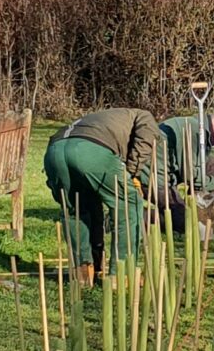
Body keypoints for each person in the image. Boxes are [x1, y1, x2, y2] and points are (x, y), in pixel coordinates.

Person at [43, 107, 161, 285]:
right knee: (129, 203)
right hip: (90, 151)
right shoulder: (144, 115)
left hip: (54, 152)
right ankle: (121, 274)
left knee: (75, 209)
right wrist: (132, 172)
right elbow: (146, 141)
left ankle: (82, 272)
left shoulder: (100, 118)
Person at [156, 111, 214, 230]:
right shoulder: (194, 132)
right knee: (184, 219)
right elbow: (191, 176)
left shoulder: (201, 131)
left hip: (170, 170)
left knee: (210, 163)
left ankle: (204, 224)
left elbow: (201, 167)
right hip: (156, 175)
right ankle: (142, 218)